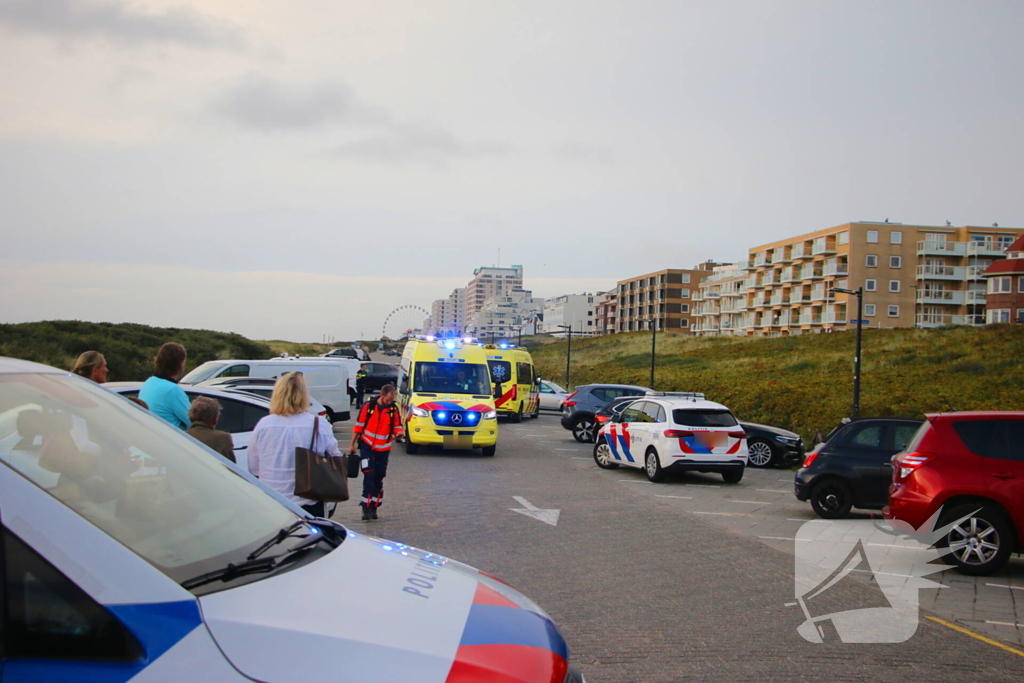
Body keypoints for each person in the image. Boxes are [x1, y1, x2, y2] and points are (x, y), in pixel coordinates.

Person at [249, 372, 341, 517]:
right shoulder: (318, 423)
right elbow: (335, 457)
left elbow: (254, 467)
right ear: (304, 395)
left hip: (272, 500)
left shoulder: (263, 425)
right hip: (309, 500)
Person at [348, 384, 403, 521]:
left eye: (391, 400)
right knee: (369, 475)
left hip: (383, 449)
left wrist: (399, 433)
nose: (389, 402)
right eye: (387, 400)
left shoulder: (393, 409)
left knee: (379, 477)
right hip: (367, 446)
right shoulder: (369, 407)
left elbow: (397, 425)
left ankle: (374, 506)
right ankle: (365, 507)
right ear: (382, 395)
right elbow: (359, 426)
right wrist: (352, 444)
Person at [139, 343, 191, 430]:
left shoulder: (149, 383)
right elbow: (194, 422)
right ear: (180, 364)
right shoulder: (172, 390)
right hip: (171, 437)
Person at [186, 396, 236, 462]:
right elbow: (230, 464)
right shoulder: (223, 438)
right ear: (215, 419)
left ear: (191, 416)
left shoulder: (181, 436)